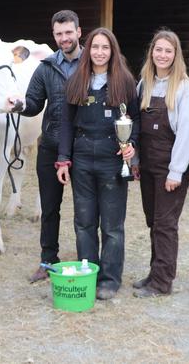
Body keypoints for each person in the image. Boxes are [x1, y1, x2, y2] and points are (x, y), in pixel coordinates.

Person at [56, 28, 139, 300]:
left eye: (105, 47)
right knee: (84, 221)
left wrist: (131, 146)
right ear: (87, 49)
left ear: (112, 51)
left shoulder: (125, 82)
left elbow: (134, 120)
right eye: (95, 47)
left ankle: (110, 279)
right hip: (81, 156)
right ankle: (87, 272)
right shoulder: (75, 80)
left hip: (111, 158)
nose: (100, 52)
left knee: (112, 225)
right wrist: (63, 159)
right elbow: (66, 123)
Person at [131, 27, 189, 298]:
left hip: (170, 166)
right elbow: (135, 126)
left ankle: (162, 282)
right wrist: (135, 159)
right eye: (158, 49)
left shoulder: (183, 87)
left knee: (166, 224)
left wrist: (177, 171)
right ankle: (155, 273)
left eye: (168, 51)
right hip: (147, 164)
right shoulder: (143, 83)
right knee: (152, 221)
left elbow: (186, 133)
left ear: (175, 54)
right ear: (152, 52)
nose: (163, 55)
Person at [20, 10, 83, 283]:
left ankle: (87, 260)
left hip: (84, 147)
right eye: (59, 33)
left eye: (69, 32)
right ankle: (48, 260)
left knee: (86, 209)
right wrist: (19, 105)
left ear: (79, 32)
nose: (64, 38)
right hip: (51, 145)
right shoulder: (45, 67)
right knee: (49, 207)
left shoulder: (93, 63)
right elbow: (33, 102)